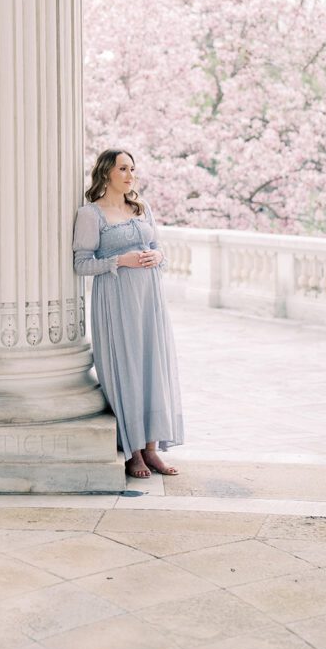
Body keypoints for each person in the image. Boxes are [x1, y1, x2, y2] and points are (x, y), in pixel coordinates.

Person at [73, 149, 184, 479]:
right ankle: (133, 451)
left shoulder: (141, 207)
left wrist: (156, 256)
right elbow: (80, 264)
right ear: (107, 173)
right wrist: (120, 260)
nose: (130, 174)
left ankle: (152, 450)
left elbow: (160, 251)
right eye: (123, 168)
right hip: (117, 301)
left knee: (153, 367)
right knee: (128, 369)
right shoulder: (91, 214)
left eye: (132, 169)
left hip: (150, 299)